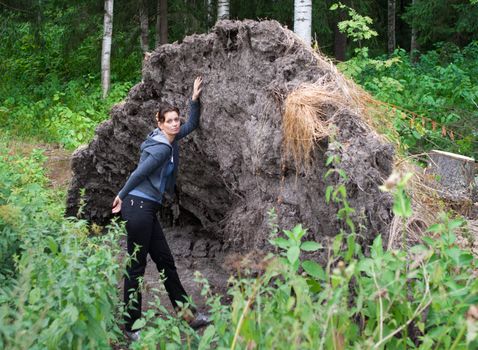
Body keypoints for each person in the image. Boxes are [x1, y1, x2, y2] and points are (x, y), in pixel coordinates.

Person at [112, 77, 209, 341]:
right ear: (159, 123)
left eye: (176, 119)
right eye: (170, 121)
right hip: (137, 207)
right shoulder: (161, 150)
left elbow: (192, 124)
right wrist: (120, 196)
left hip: (146, 209)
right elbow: (138, 172)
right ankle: (131, 328)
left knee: (165, 262)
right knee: (136, 267)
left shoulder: (169, 139)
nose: (176, 124)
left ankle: (189, 316)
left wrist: (194, 98)